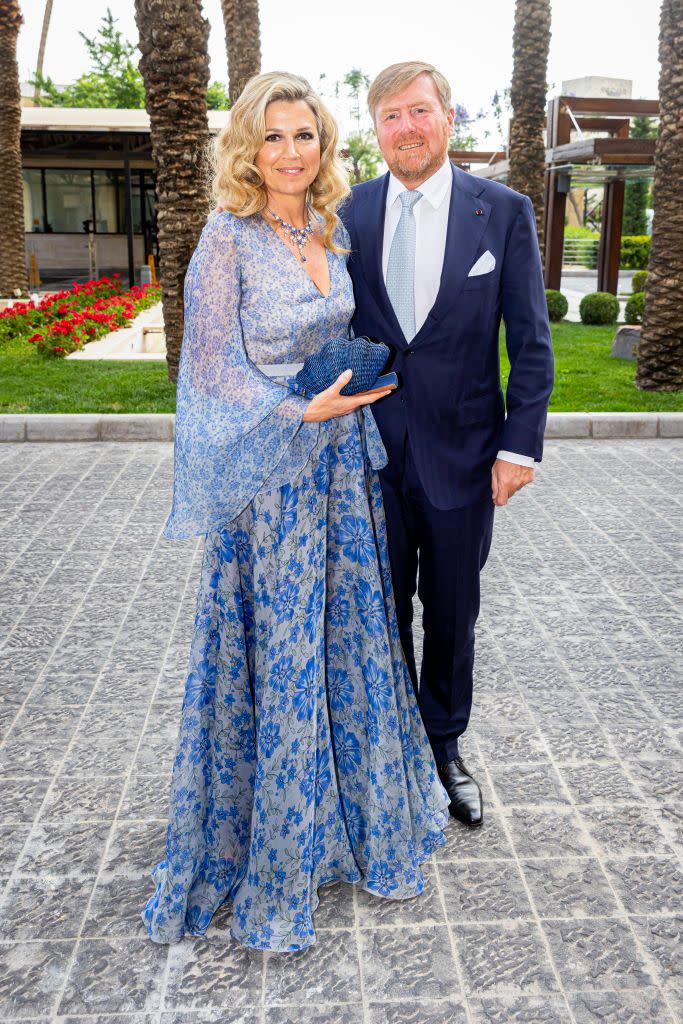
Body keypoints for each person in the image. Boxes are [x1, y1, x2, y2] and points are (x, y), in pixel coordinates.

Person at [140, 71, 450, 954]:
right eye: (271, 137)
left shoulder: (331, 227)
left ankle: (341, 821)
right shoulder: (225, 236)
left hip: (341, 478)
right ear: (248, 146)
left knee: (345, 644)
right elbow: (203, 371)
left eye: (303, 135)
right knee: (279, 654)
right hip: (271, 482)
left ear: (323, 145)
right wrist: (292, 410)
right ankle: (266, 845)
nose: (288, 152)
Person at [339, 61, 554, 827]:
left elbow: (529, 342)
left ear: (448, 117)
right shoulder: (348, 213)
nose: (405, 127)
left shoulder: (501, 211)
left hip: (466, 457)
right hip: (367, 456)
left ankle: (442, 746)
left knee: (452, 610)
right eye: (390, 116)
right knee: (378, 608)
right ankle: (387, 744)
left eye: (418, 111)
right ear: (376, 130)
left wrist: (517, 448)